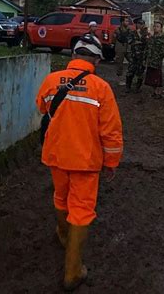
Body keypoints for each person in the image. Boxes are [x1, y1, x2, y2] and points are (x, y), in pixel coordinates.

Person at [35, 34, 123, 291]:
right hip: (85, 161)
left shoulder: (51, 80)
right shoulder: (101, 88)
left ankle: (64, 235)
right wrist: (111, 162)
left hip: (56, 155)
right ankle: (72, 271)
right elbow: (111, 131)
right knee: (82, 209)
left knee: (60, 199)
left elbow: (42, 107)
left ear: (73, 56)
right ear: (95, 59)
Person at [145, 21, 164, 99]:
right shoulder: (152, 38)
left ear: (161, 28)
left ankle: (159, 92)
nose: (155, 28)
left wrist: (158, 57)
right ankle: (154, 91)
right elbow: (148, 47)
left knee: (157, 76)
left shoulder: (163, 38)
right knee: (151, 77)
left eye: (157, 26)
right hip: (150, 60)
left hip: (157, 60)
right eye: (154, 26)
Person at [126, 18, 149, 93]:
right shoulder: (132, 33)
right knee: (130, 71)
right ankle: (128, 87)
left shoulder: (146, 34)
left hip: (142, 56)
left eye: (142, 24)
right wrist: (138, 41)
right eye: (139, 24)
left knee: (140, 72)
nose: (140, 25)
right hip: (133, 55)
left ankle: (137, 88)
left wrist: (139, 39)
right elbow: (130, 41)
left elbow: (146, 42)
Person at [113, 16, 133, 86]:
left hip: (127, 48)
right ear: (122, 22)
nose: (127, 22)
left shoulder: (129, 29)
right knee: (119, 64)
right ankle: (120, 80)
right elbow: (115, 39)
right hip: (120, 47)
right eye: (126, 21)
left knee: (132, 62)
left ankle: (130, 78)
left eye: (128, 21)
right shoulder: (117, 29)